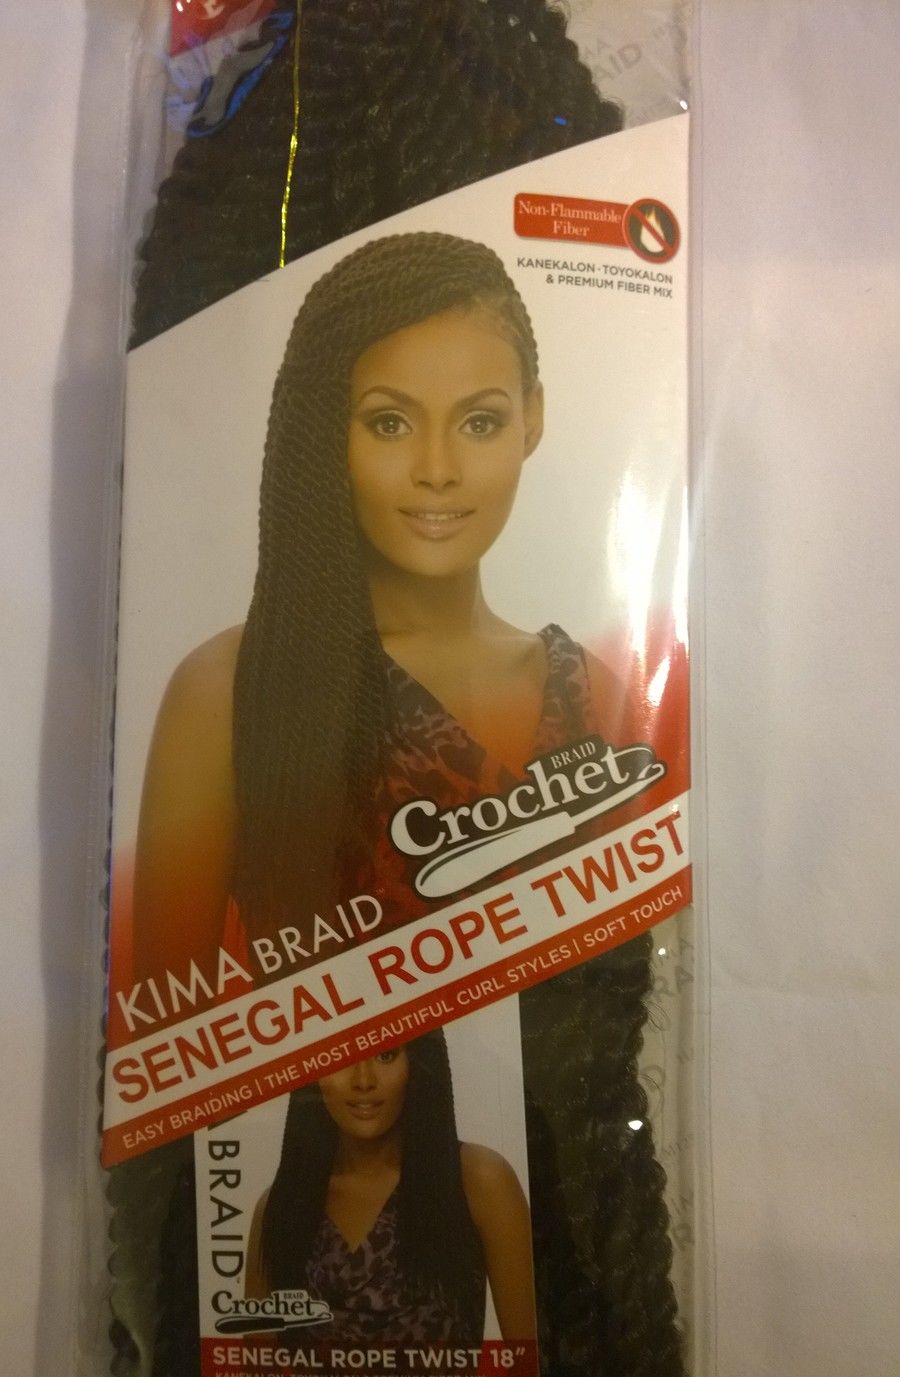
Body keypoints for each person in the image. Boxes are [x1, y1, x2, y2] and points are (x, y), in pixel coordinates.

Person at [132, 230, 632, 983]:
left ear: (532, 417)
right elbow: (164, 1031)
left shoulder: (593, 692)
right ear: (327, 432)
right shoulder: (231, 690)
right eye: (390, 423)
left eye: (480, 422)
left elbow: (624, 991)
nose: (437, 470)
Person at [244, 1034, 536, 1344]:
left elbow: (531, 1363)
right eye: (339, 1058)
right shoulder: (279, 1206)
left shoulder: (478, 1179)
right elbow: (256, 1369)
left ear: (417, 1063)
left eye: (385, 1055)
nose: (363, 1081)